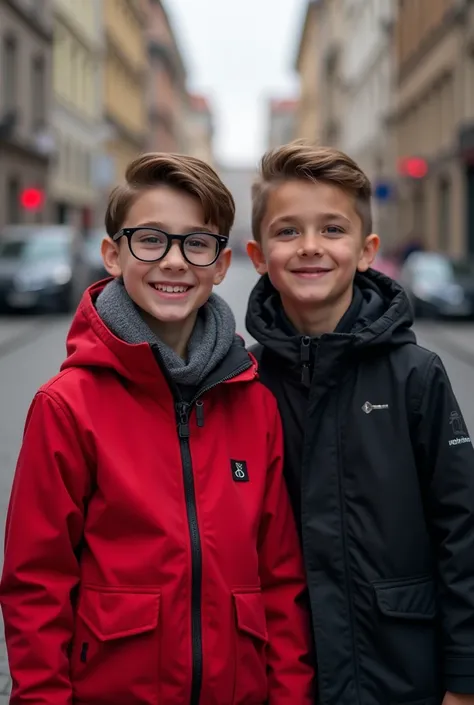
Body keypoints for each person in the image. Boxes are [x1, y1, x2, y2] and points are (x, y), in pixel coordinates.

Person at [0, 153, 314, 705]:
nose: (173, 261)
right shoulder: (67, 406)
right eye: (150, 239)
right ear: (113, 255)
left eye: (196, 244)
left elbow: (281, 579)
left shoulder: (254, 403)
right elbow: (36, 585)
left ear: (220, 265)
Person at [245, 140, 474, 705]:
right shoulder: (244, 382)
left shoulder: (414, 375)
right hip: (285, 672)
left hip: (400, 669)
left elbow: (461, 528)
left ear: (367, 249)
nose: (310, 248)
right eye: (287, 231)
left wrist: (464, 679)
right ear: (257, 254)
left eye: (332, 229)